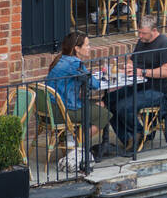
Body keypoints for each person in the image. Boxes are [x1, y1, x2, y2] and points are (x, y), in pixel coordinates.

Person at [109, 17, 167, 148]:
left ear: (154, 30)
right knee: (109, 101)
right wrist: (128, 67)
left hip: (158, 90)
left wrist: (142, 72)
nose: (140, 35)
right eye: (139, 32)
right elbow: (132, 60)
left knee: (123, 107)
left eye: (143, 33)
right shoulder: (142, 41)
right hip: (138, 85)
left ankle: (139, 134)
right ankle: (129, 138)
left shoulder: (166, 44)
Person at [44, 30, 114, 158]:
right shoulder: (75, 63)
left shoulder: (61, 59)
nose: (89, 48)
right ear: (77, 48)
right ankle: (76, 145)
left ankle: (70, 137)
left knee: (100, 104)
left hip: (48, 110)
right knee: (104, 114)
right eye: (87, 45)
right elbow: (95, 85)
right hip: (62, 111)